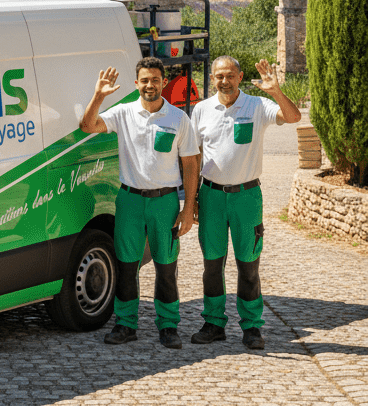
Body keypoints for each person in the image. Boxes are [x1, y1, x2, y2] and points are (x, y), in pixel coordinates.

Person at [80, 57, 200, 349]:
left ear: (163, 82)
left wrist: (187, 209)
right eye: (145, 80)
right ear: (137, 84)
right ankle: (125, 323)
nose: (150, 85)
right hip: (130, 200)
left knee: (166, 266)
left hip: (165, 202)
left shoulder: (178, 118)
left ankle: (169, 325)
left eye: (155, 80)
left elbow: (191, 166)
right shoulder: (123, 113)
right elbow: (87, 126)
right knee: (126, 265)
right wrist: (98, 95)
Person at [189, 56, 302, 349]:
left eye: (229, 75)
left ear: (239, 77)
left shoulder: (257, 106)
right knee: (212, 265)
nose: (224, 81)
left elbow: (293, 117)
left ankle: (252, 327)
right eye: (218, 76)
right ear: (212, 79)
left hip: (247, 197)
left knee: (248, 265)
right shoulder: (200, 110)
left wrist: (275, 91)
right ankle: (214, 323)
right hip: (211, 196)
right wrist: (193, 200)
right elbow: (194, 155)